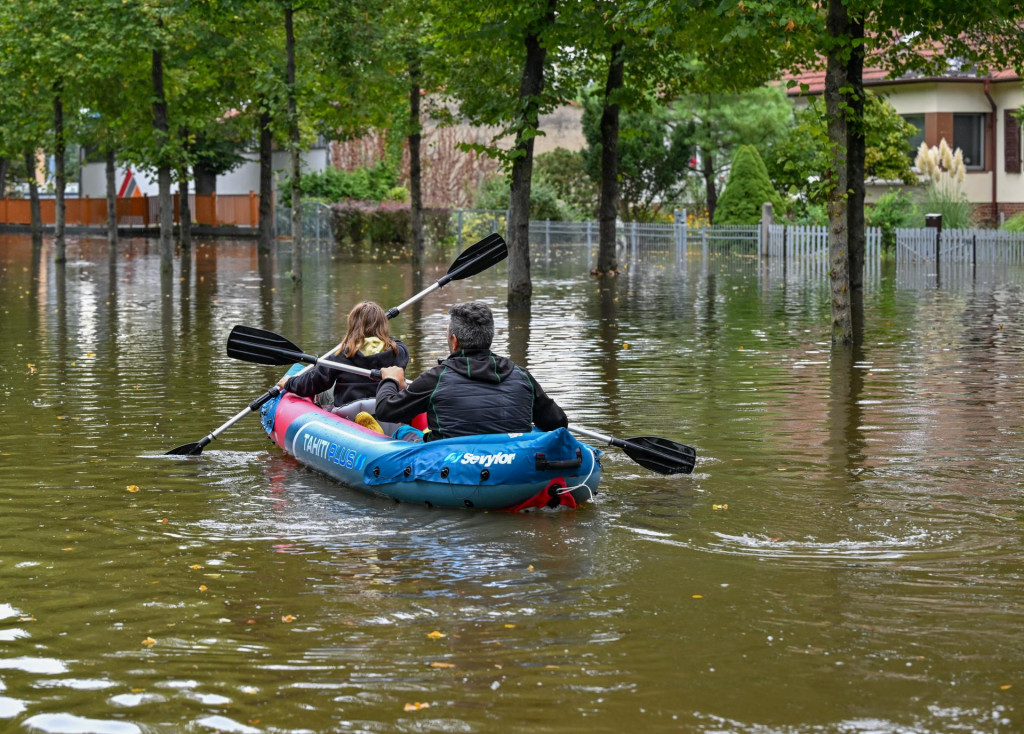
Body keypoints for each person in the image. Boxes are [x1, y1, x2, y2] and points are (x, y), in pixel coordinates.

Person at [375, 301, 568, 441]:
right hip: (514, 467)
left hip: (449, 468)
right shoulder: (522, 375)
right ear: (489, 337)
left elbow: (385, 411)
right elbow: (558, 422)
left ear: (454, 340)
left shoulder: (436, 378)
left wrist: (390, 379)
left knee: (402, 432)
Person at [277, 301, 409, 422]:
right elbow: (396, 342)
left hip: (349, 413)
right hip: (385, 408)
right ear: (384, 325)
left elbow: (314, 383)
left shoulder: (341, 355)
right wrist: (380, 333)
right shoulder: (400, 352)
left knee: (324, 390)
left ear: (352, 326)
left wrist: (289, 383)